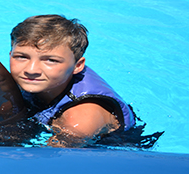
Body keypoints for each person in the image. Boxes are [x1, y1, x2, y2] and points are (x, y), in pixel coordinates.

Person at [9, 14, 135, 147]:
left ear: (77, 66)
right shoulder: (44, 77)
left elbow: (46, 161)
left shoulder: (80, 118)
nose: (31, 69)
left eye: (51, 60)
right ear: (10, 55)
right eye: (22, 57)